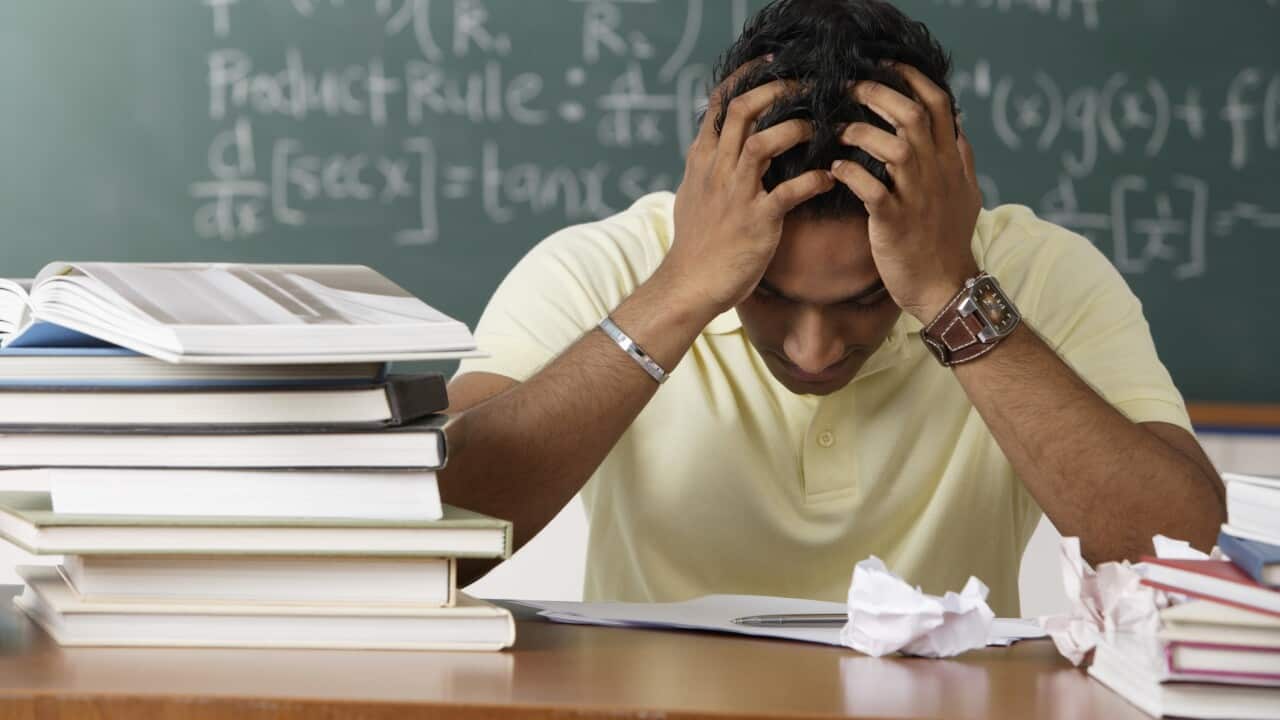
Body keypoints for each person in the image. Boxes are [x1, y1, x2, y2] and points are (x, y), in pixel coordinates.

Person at [438, 0, 1224, 616]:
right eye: (766, 294)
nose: (814, 352)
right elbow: (435, 535)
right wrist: (683, 289)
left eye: (868, 299)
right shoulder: (604, 267)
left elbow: (1186, 556)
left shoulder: (1033, 275)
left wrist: (952, 297)